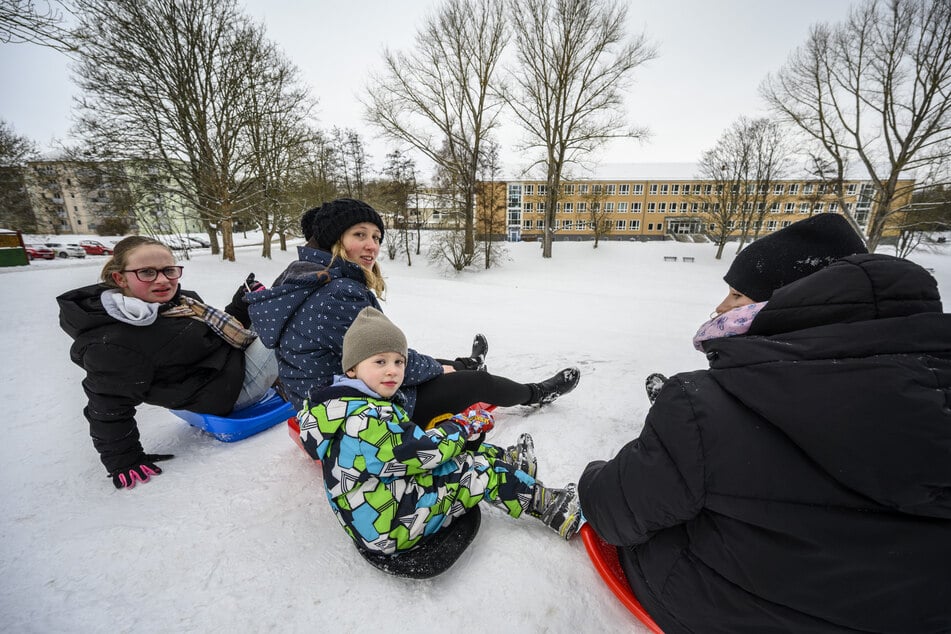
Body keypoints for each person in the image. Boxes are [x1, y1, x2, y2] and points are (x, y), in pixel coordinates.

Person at [578, 213, 951, 633]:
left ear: (784, 305)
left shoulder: (703, 408)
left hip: (734, 610)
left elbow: (613, 510)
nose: (721, 308)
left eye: (737, 296)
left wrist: (594, 475)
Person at [246, 198, 580, 425]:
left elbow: (379, 353)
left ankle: (467, 362)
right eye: (359, 235)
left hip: (324, 405)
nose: (372, 246)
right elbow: (395, 360)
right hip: (361, 415)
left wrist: (440, 367)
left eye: (376, 237)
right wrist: (444, 371)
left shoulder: (303, 276)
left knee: (407, 359)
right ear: (336, 239)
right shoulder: (337, 293)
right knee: (473, 382)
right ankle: (536, 392)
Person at [300, 306, 583, 555]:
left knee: (460, 451)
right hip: (391, 525)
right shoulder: (365, 419)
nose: (392, 371)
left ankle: (509, 462)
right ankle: (551, 506)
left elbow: (406, 451)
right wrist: (461, 424)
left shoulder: (344, 405)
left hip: (380, 504)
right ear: (351, 369)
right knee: (476, 471)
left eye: (399, 361)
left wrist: (458, 434)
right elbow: (425, 451)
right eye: (380, 362)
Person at [57, 236, 279, 490]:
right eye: (147, 272)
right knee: (291, 326)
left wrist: (241, 304)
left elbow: (212, 335)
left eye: (168, 270)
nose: (162, 280)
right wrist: (123, 460)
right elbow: (106, 405)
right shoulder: (116, 341)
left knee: (274, 312)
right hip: (231, 391)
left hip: (224, 370)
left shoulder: (175, 303)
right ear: (120, 278)